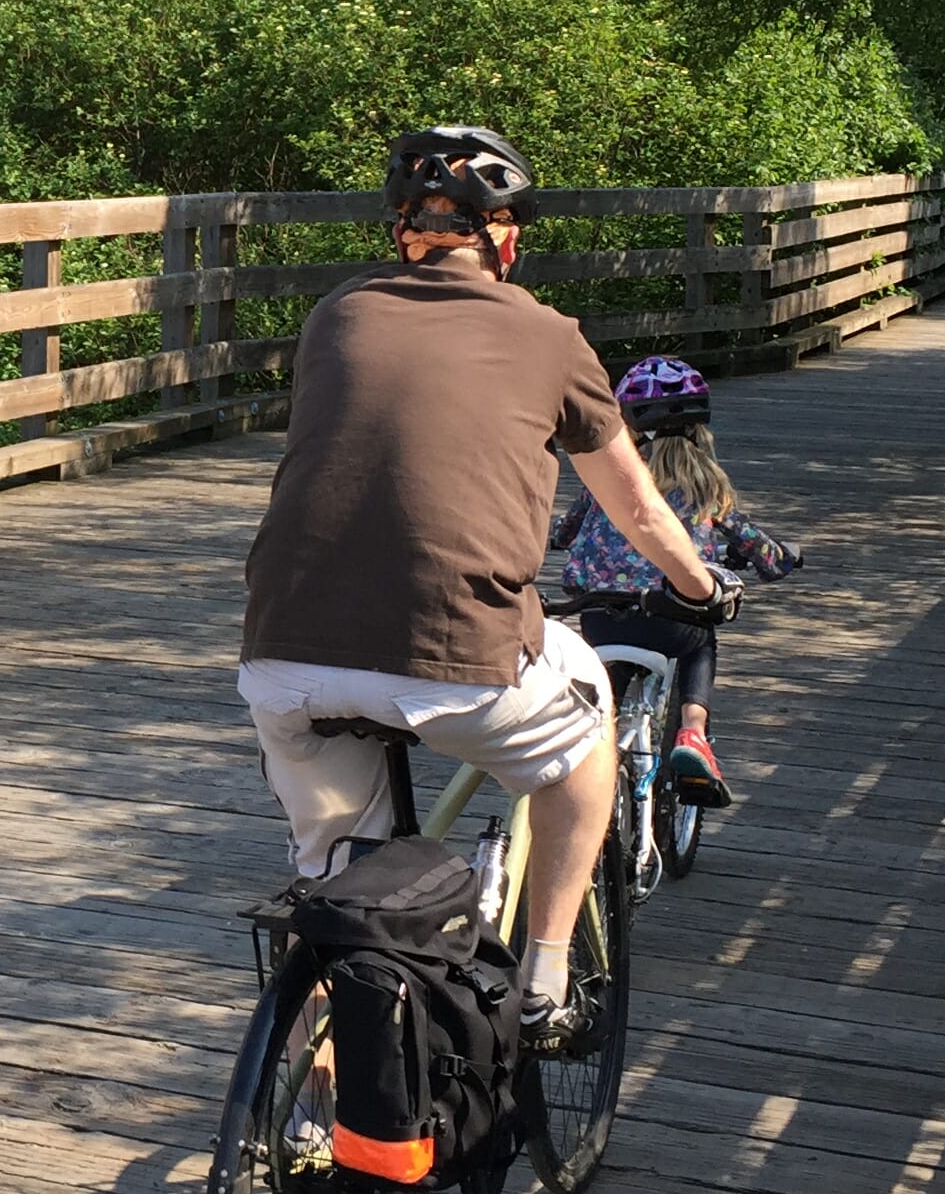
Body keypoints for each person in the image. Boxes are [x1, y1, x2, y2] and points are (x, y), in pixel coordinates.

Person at [238, 126, 732, 1042]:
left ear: (403, 233)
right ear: (504, 238)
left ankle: (313, 1076)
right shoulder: (549, 335)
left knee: (337, 892)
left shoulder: (335, 316)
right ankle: (546, 979)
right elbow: (639, 508)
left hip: (281, 658)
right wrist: (701, 591)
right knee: (586, 732)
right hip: (458, 655)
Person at [550, 357, 802, 810]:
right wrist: (781, 559)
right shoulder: (705, 485)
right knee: (700, 642)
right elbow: (753, 544)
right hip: (672, 618)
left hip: (601, 613)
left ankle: (597, 754)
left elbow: (565, 532)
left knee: (608, 686)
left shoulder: (610, 479)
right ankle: (692, 732)